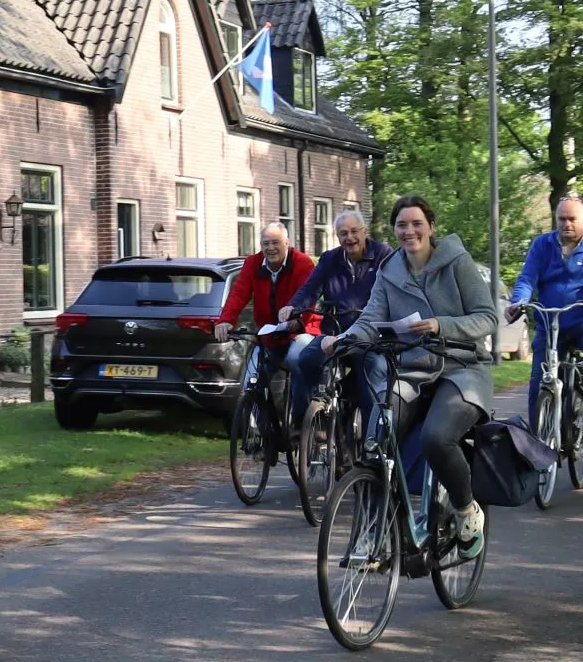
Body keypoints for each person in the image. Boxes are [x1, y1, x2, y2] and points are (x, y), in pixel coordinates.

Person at [331, 195, 499, 558]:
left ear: (431, 227)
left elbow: (488, 317)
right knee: (376, 438)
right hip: (413, 369)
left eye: (416, 223)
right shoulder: (389, 271)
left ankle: (467, 509)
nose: (409, 231)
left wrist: (444, 325)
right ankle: (375, 528)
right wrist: (341, 341)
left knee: (436, 438)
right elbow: (370, 319)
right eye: (402, 225)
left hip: (462, 368)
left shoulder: (457, 262)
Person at [507, 196, 583, 437]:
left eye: (572, 219)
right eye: (561, 219)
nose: (566, 224)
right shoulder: (542, 245)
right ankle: (536, 440)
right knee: (538, 382)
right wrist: (518, 301)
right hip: (550, 324)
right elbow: (527, 278)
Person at [214, 222, 318, 464]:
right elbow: (239, 293)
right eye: (265, 243)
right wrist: (225, 321)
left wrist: (297, 320)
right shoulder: (253, 264)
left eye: (275, 243)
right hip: (268, 335)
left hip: (297, 332)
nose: (270, 248)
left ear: (287, 244)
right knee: (250, 383)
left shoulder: (302, 264)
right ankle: (262, 436)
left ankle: (301, 420)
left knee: (299, 361)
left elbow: (309, 295)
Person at [281, 208, 393, 421]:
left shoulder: (383, 255)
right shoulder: (330, 259)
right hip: (335, 334)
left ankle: (372, 442)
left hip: (369, 338)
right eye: (343, 233)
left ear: (364, 231)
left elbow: (393, 292)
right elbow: (310, 289)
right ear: (337, 236)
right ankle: (316, 416)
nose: (349, 238)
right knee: (305, 359)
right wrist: (293, 307)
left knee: (372, 378)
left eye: (354, 231)